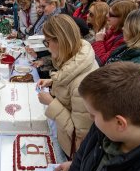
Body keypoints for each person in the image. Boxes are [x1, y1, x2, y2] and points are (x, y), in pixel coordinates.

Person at [36, 14, 98, 157]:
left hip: (70, 153)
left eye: (47, 42)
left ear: (61, 41)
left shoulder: (82, 85)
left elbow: (79, 135)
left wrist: (51, 103)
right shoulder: (77, 57)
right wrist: (54, 81)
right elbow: (70, 75)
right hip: (63, 140)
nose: (47, 46)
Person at [92, 0, 137, 65]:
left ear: (123, 19)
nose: (107, 16)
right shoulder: (113, 30)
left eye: (111, 14)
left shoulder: (124, 39)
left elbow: (103, 62)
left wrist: (99, 42)